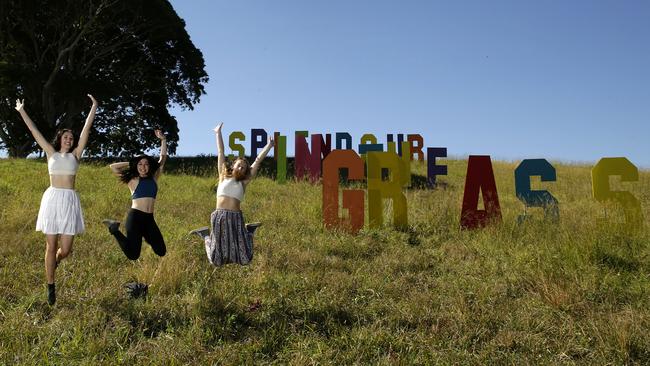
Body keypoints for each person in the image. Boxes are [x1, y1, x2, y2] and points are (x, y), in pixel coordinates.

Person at [15, 94, 98, 305]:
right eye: (66, 137)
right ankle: (51, 285)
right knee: (50, 246)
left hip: (69, 201)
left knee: (66, 249)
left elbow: (87, 129)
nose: (69, 140)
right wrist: (22, 111)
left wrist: (94, 107)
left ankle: (56, 262)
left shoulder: (76, 155)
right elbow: (35, 132)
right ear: (60, 139)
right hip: (52, 199)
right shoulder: (51, 153)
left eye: (72, 138)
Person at [190, 123, 273, 266]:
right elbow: (221, 152)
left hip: (235, 217)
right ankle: (205, 235)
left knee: (245, 259)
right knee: (216, 260)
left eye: (244, 167)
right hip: (219, 216)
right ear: (233, 165)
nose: (241, 168)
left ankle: (250, 231)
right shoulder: (223, 176)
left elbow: (258, 161)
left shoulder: (244, 182)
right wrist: (218, 133)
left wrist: (269, 146)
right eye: (239, 165)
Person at [102, 130, 168, 261]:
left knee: (161, 251)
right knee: (133, 255)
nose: (143, 167)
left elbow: (163, 159)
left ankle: (144, 235)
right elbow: (113, 167)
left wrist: (163, 140)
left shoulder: (154, 178)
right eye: (140, 164)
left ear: (149, 166)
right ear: (136, 166)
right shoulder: (133, 180)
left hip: (149, 219)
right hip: (136, 218)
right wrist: (132, 161)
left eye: (146, 164)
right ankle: (114, 229)